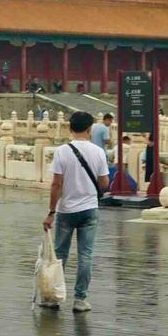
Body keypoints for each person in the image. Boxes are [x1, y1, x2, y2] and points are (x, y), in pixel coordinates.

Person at [43, 112, 110, 313]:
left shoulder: (62, 151)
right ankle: (80, 299)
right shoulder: (98, 152)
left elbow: (56, 184)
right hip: (89, 209)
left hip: (66, 210)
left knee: (60, 254)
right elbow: (104, 183)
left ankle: (54, 297)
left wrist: (51, 212)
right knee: (85, 255)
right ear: (90, 129)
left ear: (70, 128)